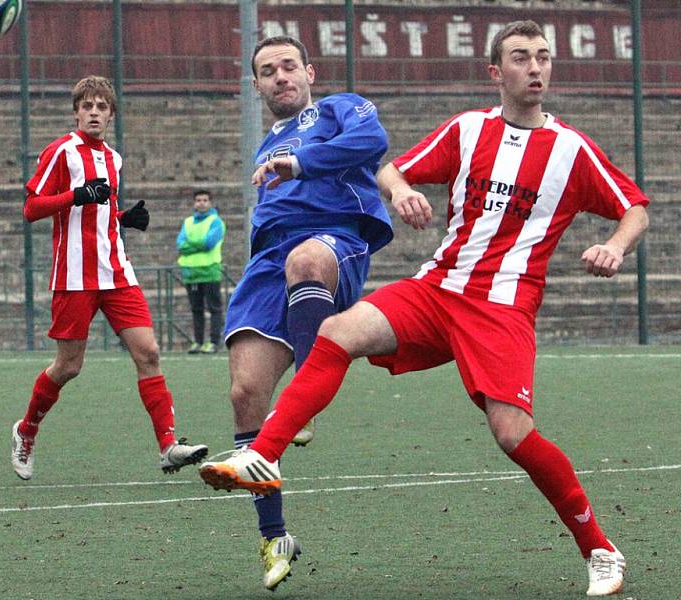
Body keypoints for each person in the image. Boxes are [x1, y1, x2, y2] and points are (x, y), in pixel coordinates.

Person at [199, 21, 649, 597]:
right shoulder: (467, 131)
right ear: (496, 72)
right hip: (437, 289)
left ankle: (601, 550)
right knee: (339, 329)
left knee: (512, 434)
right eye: (521, 57)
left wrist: (614, 245)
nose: (535, 68)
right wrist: (401, 190)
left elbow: (633, 205)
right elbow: (390, 164)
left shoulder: (571, 149)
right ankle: (262, 455)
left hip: (502, 308)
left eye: (542, 57)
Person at [209, 36, 393, 590]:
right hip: (269, 261)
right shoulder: (267, 143)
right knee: (245, 393)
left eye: (289, 66)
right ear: (258, 85)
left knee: (306, 260)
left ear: (309, 71)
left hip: (333, 240)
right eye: (268, 71)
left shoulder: (341, 109)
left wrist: (300, 163)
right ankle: (275, 536)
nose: (280, 76)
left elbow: (373, 140)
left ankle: (305, 401)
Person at [11, 75, 208, 481]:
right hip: (74, 277)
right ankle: (27, 429)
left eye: (102, 107)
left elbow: (98, 213)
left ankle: (168, 446)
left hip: (117, 272)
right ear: (76, 111)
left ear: (111, 114)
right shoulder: (61, 152)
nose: (94, 113)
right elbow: (31, 208)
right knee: (68, 366)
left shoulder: (114, 159)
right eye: (88, 106)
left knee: (149, 352)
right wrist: (76, 195)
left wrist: (123, 219)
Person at [176, 189, 226, 354]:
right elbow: (180, 244)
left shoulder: (216, 221)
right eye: (198, 200)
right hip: (191, 273)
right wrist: (198, 244)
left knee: (214, 308)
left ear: (210, 202)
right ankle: (197, 342)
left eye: (205, 200)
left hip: (210, 271)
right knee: (196, 309)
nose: (201, 203)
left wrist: (192, 245)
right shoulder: (188, 222)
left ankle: (213, 342)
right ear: (194, 203)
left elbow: (209, 243)